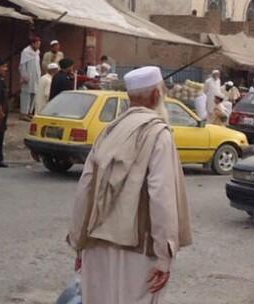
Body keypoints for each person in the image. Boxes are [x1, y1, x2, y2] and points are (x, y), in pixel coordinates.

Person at [67, 66, 192, 304]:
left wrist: (79, 245)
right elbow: (161, 197)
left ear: (129, 98)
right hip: (138, 253)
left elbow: (84, 190)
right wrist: (164, 257)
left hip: (96, 247)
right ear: (157, 96)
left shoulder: (108, 132)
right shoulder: (158, 134)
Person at [19, 36, 41, 119]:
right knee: (26, 95)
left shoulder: (37, 52)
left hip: (36, 77)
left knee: (34, 94)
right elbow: (22, 65)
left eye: (39, 44)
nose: (38, 46)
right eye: (37, 44)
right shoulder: (26, 52)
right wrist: (24, 76)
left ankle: (29, 112)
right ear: (33, 43)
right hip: (28, 77)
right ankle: (23, 113)